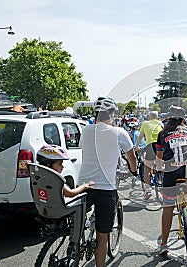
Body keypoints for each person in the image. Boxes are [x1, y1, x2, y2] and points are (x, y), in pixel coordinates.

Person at [78, 96, 137, 267]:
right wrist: (133, 171)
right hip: (106, 189)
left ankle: (76, 243)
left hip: (83, 185)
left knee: (79, 220)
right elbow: (131, 156)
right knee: (102, 235)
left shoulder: (86, 130)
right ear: (111, 113)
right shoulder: (119, 132)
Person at [155, 106, 187, 254]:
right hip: (186, 170)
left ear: (168, 118)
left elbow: (159, 157)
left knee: (168, 208)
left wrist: (159, 168)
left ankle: (164, 244)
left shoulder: (162, 133)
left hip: (170, 172)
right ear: (182, 118)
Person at [134, 111, 164, 200]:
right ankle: (163, 183)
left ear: (149, 117)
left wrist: (136, 146)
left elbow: (140, 137)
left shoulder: (145, 123)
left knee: (147, 169)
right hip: (161, 146)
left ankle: (147, 191)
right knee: (161, 166)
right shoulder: (161, 124)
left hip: (150, 146)